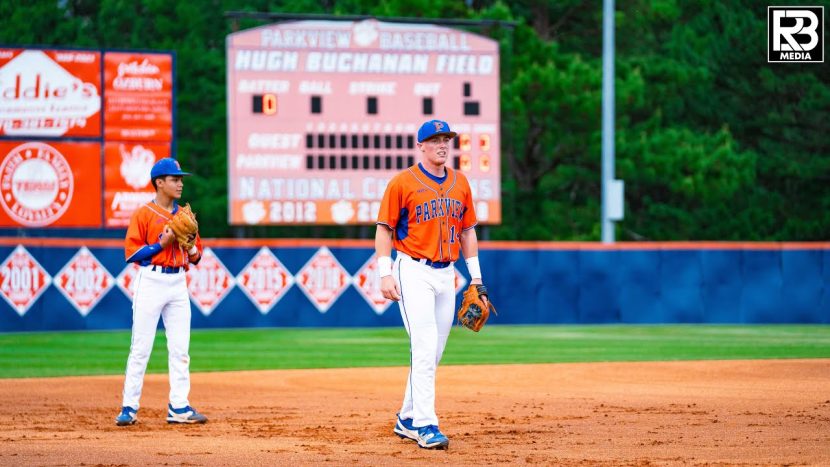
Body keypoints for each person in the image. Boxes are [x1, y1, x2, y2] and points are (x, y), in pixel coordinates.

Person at [375, 119, 486, 450]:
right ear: (420, 146)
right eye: (435, 139)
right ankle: (425, 425)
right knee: (423, 347)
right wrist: (385, 272)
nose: (442, 144)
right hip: (413, 271)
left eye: (446, 139)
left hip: (446, 274)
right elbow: (384, 229)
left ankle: (406, 417)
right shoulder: (402, 183)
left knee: (434, 352)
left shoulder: (460, 183)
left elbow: (467, 232)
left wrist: (476, 278)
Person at [115, 157, 208, 426]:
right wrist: (161, 244)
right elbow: (132, 254)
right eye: (174, 179)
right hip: (151, 281)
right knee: (140, 348)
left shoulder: (185, 216)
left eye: (180, 179)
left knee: (180, 349)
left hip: (178, 283)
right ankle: (129, 407)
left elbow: (197, 258)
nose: (180, 183)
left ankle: (179, 406)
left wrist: (189, 246)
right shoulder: (143, 214)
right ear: (159, 183)